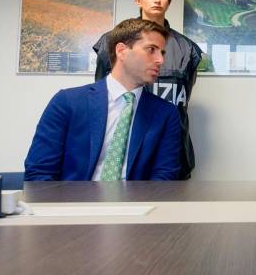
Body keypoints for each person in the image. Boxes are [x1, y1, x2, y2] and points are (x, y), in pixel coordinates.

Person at [25, 19, 181, 181]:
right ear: (122, 51)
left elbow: (164, 177)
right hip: (73, 202)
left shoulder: (166, 114)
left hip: (136, 203)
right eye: (151, 50)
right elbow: (39, 172)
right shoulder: (67, 102)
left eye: (162, 53)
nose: (160, 60)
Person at [93, 0, 202, 180]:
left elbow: (183, 101)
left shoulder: (188, 49)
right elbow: (99, 98)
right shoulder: (111, 42)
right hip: (120, 149)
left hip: (171, 155)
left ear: (169, 1)